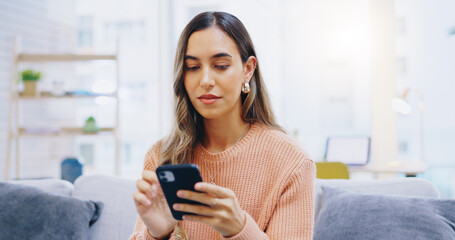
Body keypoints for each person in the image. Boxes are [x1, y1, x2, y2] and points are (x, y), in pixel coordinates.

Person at [130, 11, 315, 240]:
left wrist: (240, 229)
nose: (206, 80)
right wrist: (157, 233)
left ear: (248, 70)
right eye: (193, 67)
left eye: (220, 65)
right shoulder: (162, 155)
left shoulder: (292, 162)